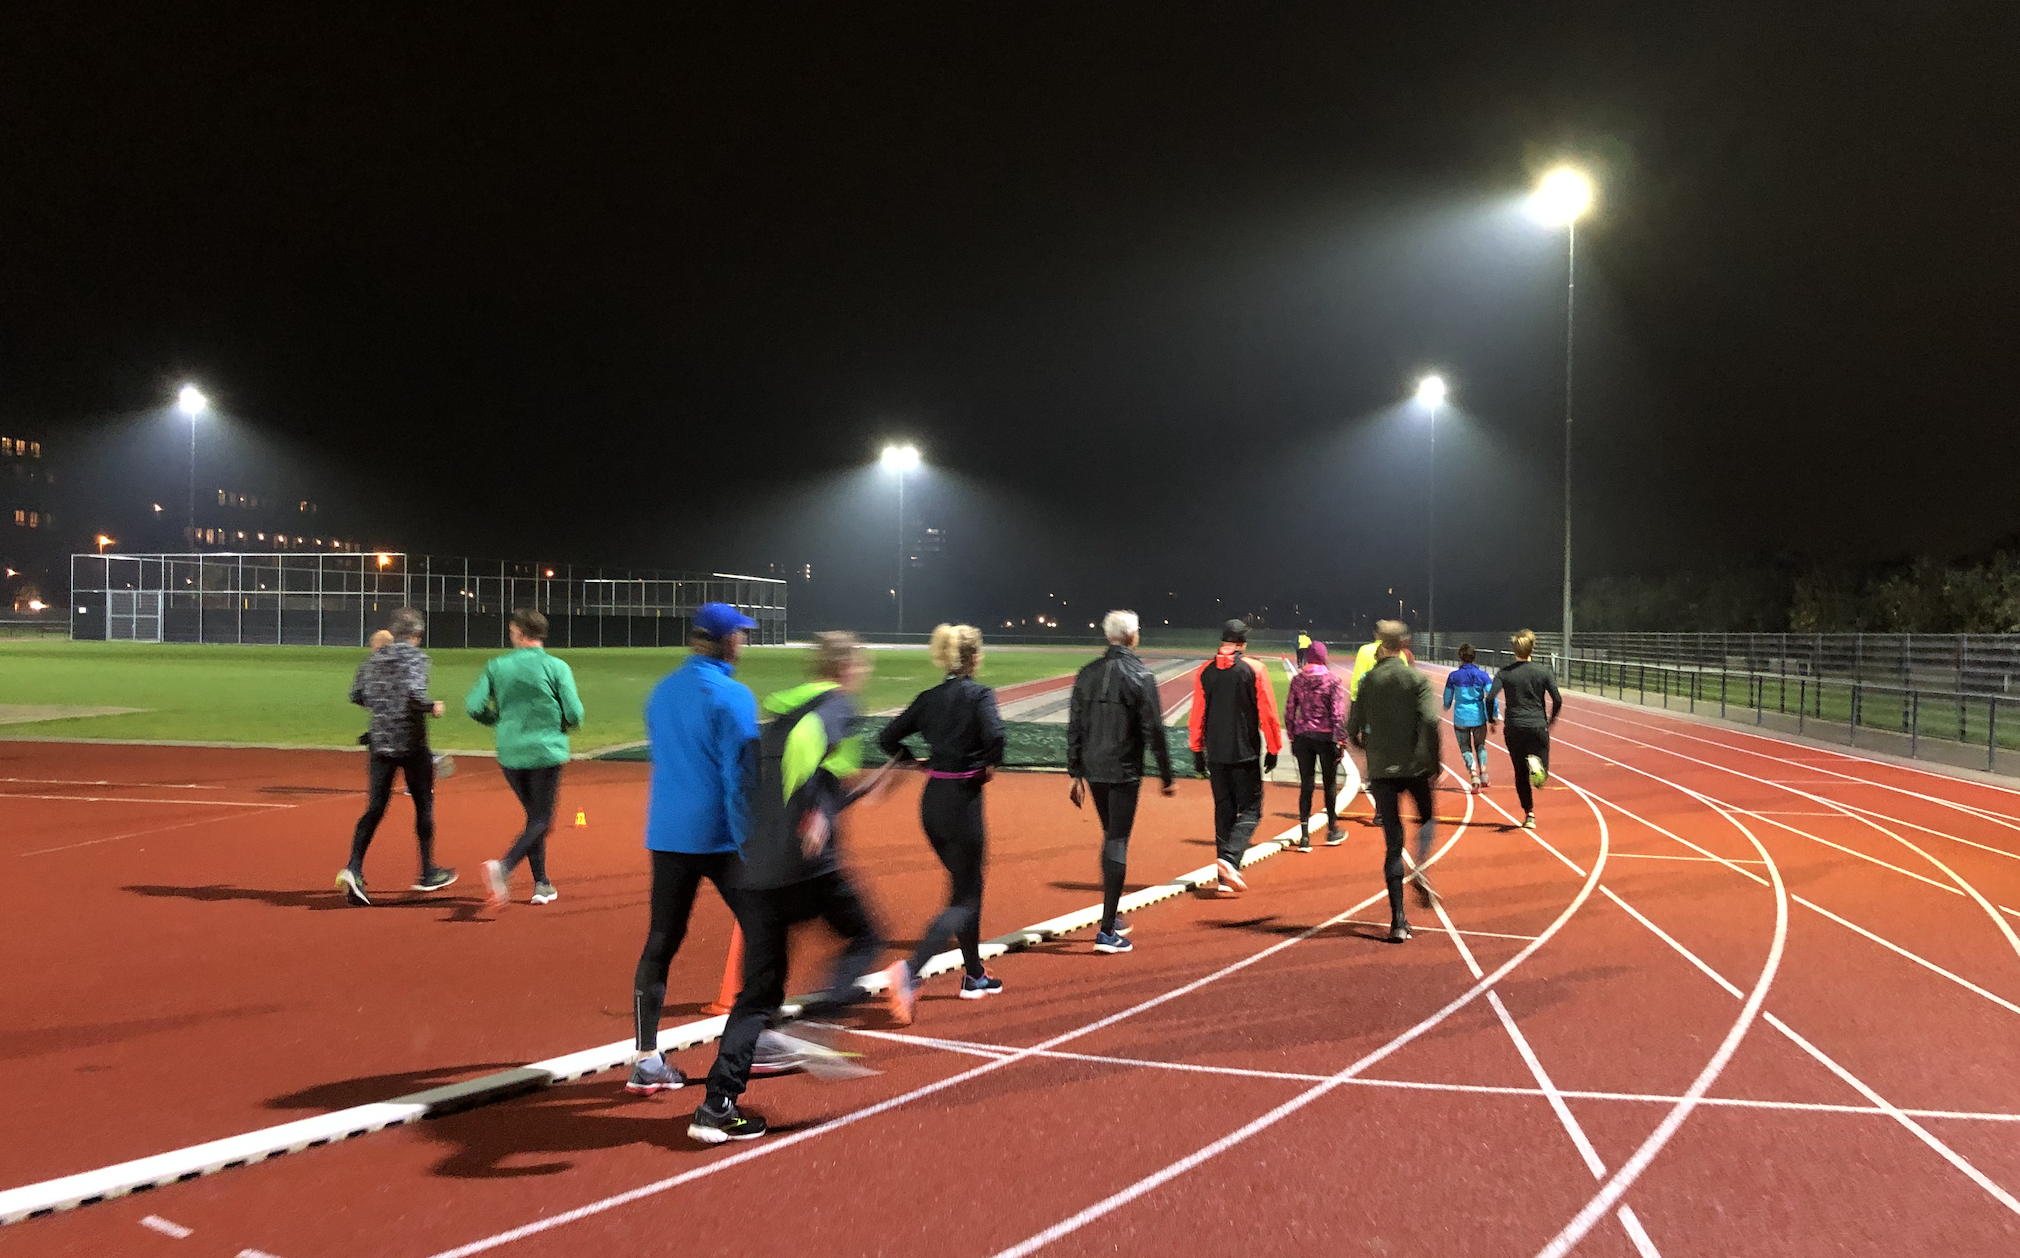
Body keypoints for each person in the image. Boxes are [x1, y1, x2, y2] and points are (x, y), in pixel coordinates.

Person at [689, 632, 893, 1143]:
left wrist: (846, 796)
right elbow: (811, 753)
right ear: (847, 668)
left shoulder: (777, 717)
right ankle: (815, 1026)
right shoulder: (836, 706)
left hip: (754, 870)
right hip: (804, 867)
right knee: (867, 937)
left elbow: (769, 777)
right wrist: (811, 813)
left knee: (758, 993)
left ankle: (717, 1106)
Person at [625, 603, 762, 1097]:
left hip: (667, 833)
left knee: (661, 941)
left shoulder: (661, 692)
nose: (743, 643)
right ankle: (755, 1040)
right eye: (740, 636)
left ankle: (645, 1057)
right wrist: (753, 839)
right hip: (721, 836)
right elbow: (739, 780)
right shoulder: (733, 696)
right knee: (764, 933)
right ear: (726, 641)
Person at [880, 623, 1007, 1014]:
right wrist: (989, 765)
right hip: (963, 802)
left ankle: (974, 974)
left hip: (932, 801)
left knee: (965, 887)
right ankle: (910, 969)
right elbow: (997, 737)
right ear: (972, 657)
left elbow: (886, 738)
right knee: (965, 896)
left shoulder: (929, 698)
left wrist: (913, 761)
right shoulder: (980, 695)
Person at [1066, 609, 1174, 954]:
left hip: (1095, 768)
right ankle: (1107, 928)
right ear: (1132, 636)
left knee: (1111, 836)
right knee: (1117, 839)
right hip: (1124, 769)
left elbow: (1075, 725)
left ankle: (1111, 915)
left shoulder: (1087, 674)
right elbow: (1153, 729)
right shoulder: (1141, 676)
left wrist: (1075, 771)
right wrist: (1166, 773)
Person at [337, 607, 454, 905]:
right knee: (423, 803)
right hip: (412, 744)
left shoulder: (375, 657)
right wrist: (432, 707)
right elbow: (414, 696)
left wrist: (384, 706)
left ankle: (354, 867)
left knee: (375, 808)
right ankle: (427, 871)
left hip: (379, 741)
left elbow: (357, 694)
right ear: (417, 634)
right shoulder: (417, 658)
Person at [471, 609, 585, 908]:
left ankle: (542, 884)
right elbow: (574, 713)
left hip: (510, 753)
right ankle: (504, 867)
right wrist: (564, 725)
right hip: (546, 751)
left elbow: (473, 706)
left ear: (520, 632)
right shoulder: (556, 666)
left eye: (512, 630)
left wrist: (496, 719)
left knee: (535, 818)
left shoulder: (496, 666)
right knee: (541, 820)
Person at [1345, 620, 1441, 940]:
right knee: (1427, 819)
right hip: (1415, 767)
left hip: (1382, 770)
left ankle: (1398, 920)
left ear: (1379, 642)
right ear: (1405, 642)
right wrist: (1434, 759)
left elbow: (1353, 727)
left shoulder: (1369, 680)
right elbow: (1429, 719)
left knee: (1393, 845)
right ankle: (1422, 868)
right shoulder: (1416, 680)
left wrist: (1365, 747)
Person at [1188, 619, 1282, 896]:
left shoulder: (1205, 671)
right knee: (1251, 810)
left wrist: (1196, 749)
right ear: (1243, 642)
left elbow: (1198, 713)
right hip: (1245, 752)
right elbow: (1267, 713)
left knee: (1224, 811)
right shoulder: (1255, 669)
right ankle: (1229, 859)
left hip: (1216, 752)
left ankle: (1223, 877)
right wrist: (1274, 748)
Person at [1486, 628, 1564, 830]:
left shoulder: (1504, 673)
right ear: (1532, 648)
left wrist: (1491, 719)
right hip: (1537, 724)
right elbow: (1557, 699)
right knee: (1540, 767)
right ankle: (1539, 769)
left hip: (1513, 726)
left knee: (1520, 773)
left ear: (1514, 650)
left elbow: (1490, 697)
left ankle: (1529, 815)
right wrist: (1551, 719)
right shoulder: (1543, 671)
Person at [1283, 638, 1347, 852]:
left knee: (1306, 784)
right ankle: (1331, 830)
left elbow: (1289, 711)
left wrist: (1292, 735)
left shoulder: (1298, 680)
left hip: (1303, 736)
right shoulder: (1333, 680)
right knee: (1329, 784)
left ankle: (1304, 837)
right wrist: (1341, 740)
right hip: (1326, 737)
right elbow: (1337, 714)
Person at [1443, 643, 1494, 792]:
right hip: (1479, 716)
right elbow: (1491, 696)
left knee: (1465, 747)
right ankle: (1483, 773)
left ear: (1460, 657)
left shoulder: (1453, 677)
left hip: (1461, 717)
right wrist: (1493, 714)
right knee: (1481, 745)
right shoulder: (1483, 675)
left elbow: (1447, 697)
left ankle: (1473, 776)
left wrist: (1446, 704)